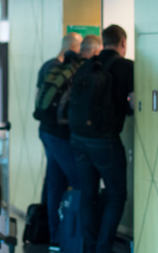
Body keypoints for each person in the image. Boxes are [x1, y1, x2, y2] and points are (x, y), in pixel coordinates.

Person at [69, 25, 134, 253]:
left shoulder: (86, 66)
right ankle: (103, 247)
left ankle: (89, 247)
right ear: (123, 43)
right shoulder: (127, 67)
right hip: (105, 141)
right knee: (117, 195)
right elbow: (134, 104)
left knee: (89, 193)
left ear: (104, 42)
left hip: (78, 138)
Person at [35, 34, 102, 249]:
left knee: (55, 182)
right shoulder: (75, 69)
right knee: (80, 181)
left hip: (46, 130)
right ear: (75, 47)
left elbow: (39, 98)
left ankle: (58, 236)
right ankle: (77, 237)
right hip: (61, 134)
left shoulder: (50, 67)